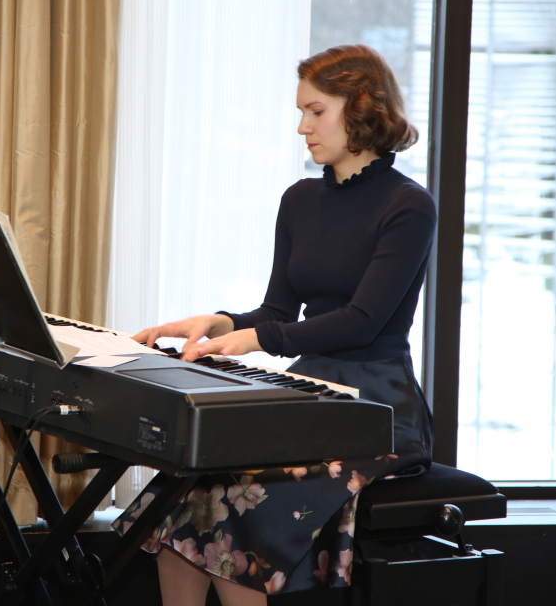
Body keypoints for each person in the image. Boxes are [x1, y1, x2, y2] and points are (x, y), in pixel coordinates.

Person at [113, 44, 436, 605]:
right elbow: (279, 313)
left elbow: (361, 323)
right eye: (301, 112)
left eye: (316, 111)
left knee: (238, 504)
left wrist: (257, 339)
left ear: (362, 109)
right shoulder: (300, 199)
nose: (302, 127)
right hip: (311, 390)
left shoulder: (408, 205)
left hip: (376, 407)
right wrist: (220, 323)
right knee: (184, 489)